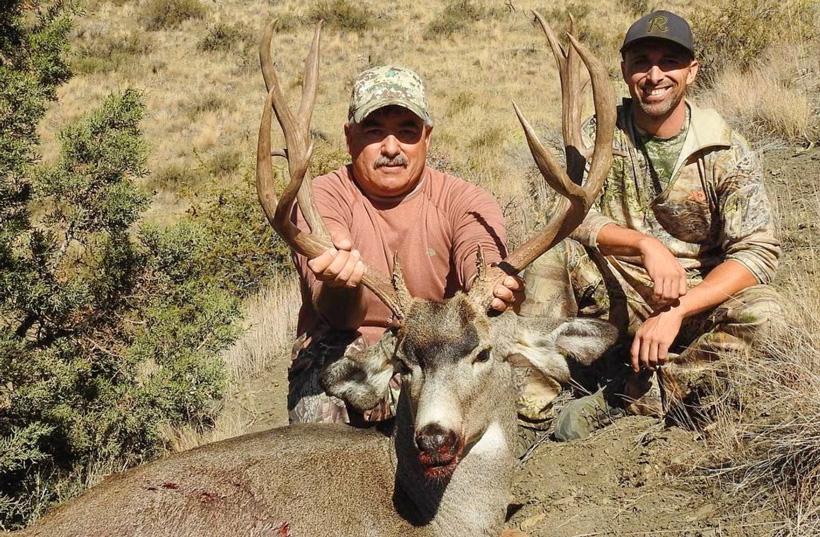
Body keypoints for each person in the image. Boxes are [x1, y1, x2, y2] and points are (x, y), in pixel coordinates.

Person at [519, 10, 783, 439]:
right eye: (641, 61)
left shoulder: (725, 148)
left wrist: (678, 311)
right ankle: (529, 410)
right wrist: (645, 245)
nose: (654, 74)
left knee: (768, 316)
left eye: (670, 62)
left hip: (696, 302)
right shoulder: (600, 134)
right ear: (624, 70)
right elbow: (573, 217)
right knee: (550, 256)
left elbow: (757, 251)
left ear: (692, 71)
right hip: (620, 291)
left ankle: (635, 391)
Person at [288, 65, 523, 424]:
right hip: (353, 361)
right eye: (374, 131)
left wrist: (489, 281)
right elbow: (337, 314)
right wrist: (342, 282)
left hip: (435, 358)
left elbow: (476, 249)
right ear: (349, 137)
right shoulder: (319, 198)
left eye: (407, 131)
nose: (391, 147)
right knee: (324, 378)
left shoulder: (464, 199)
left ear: (427, 137)